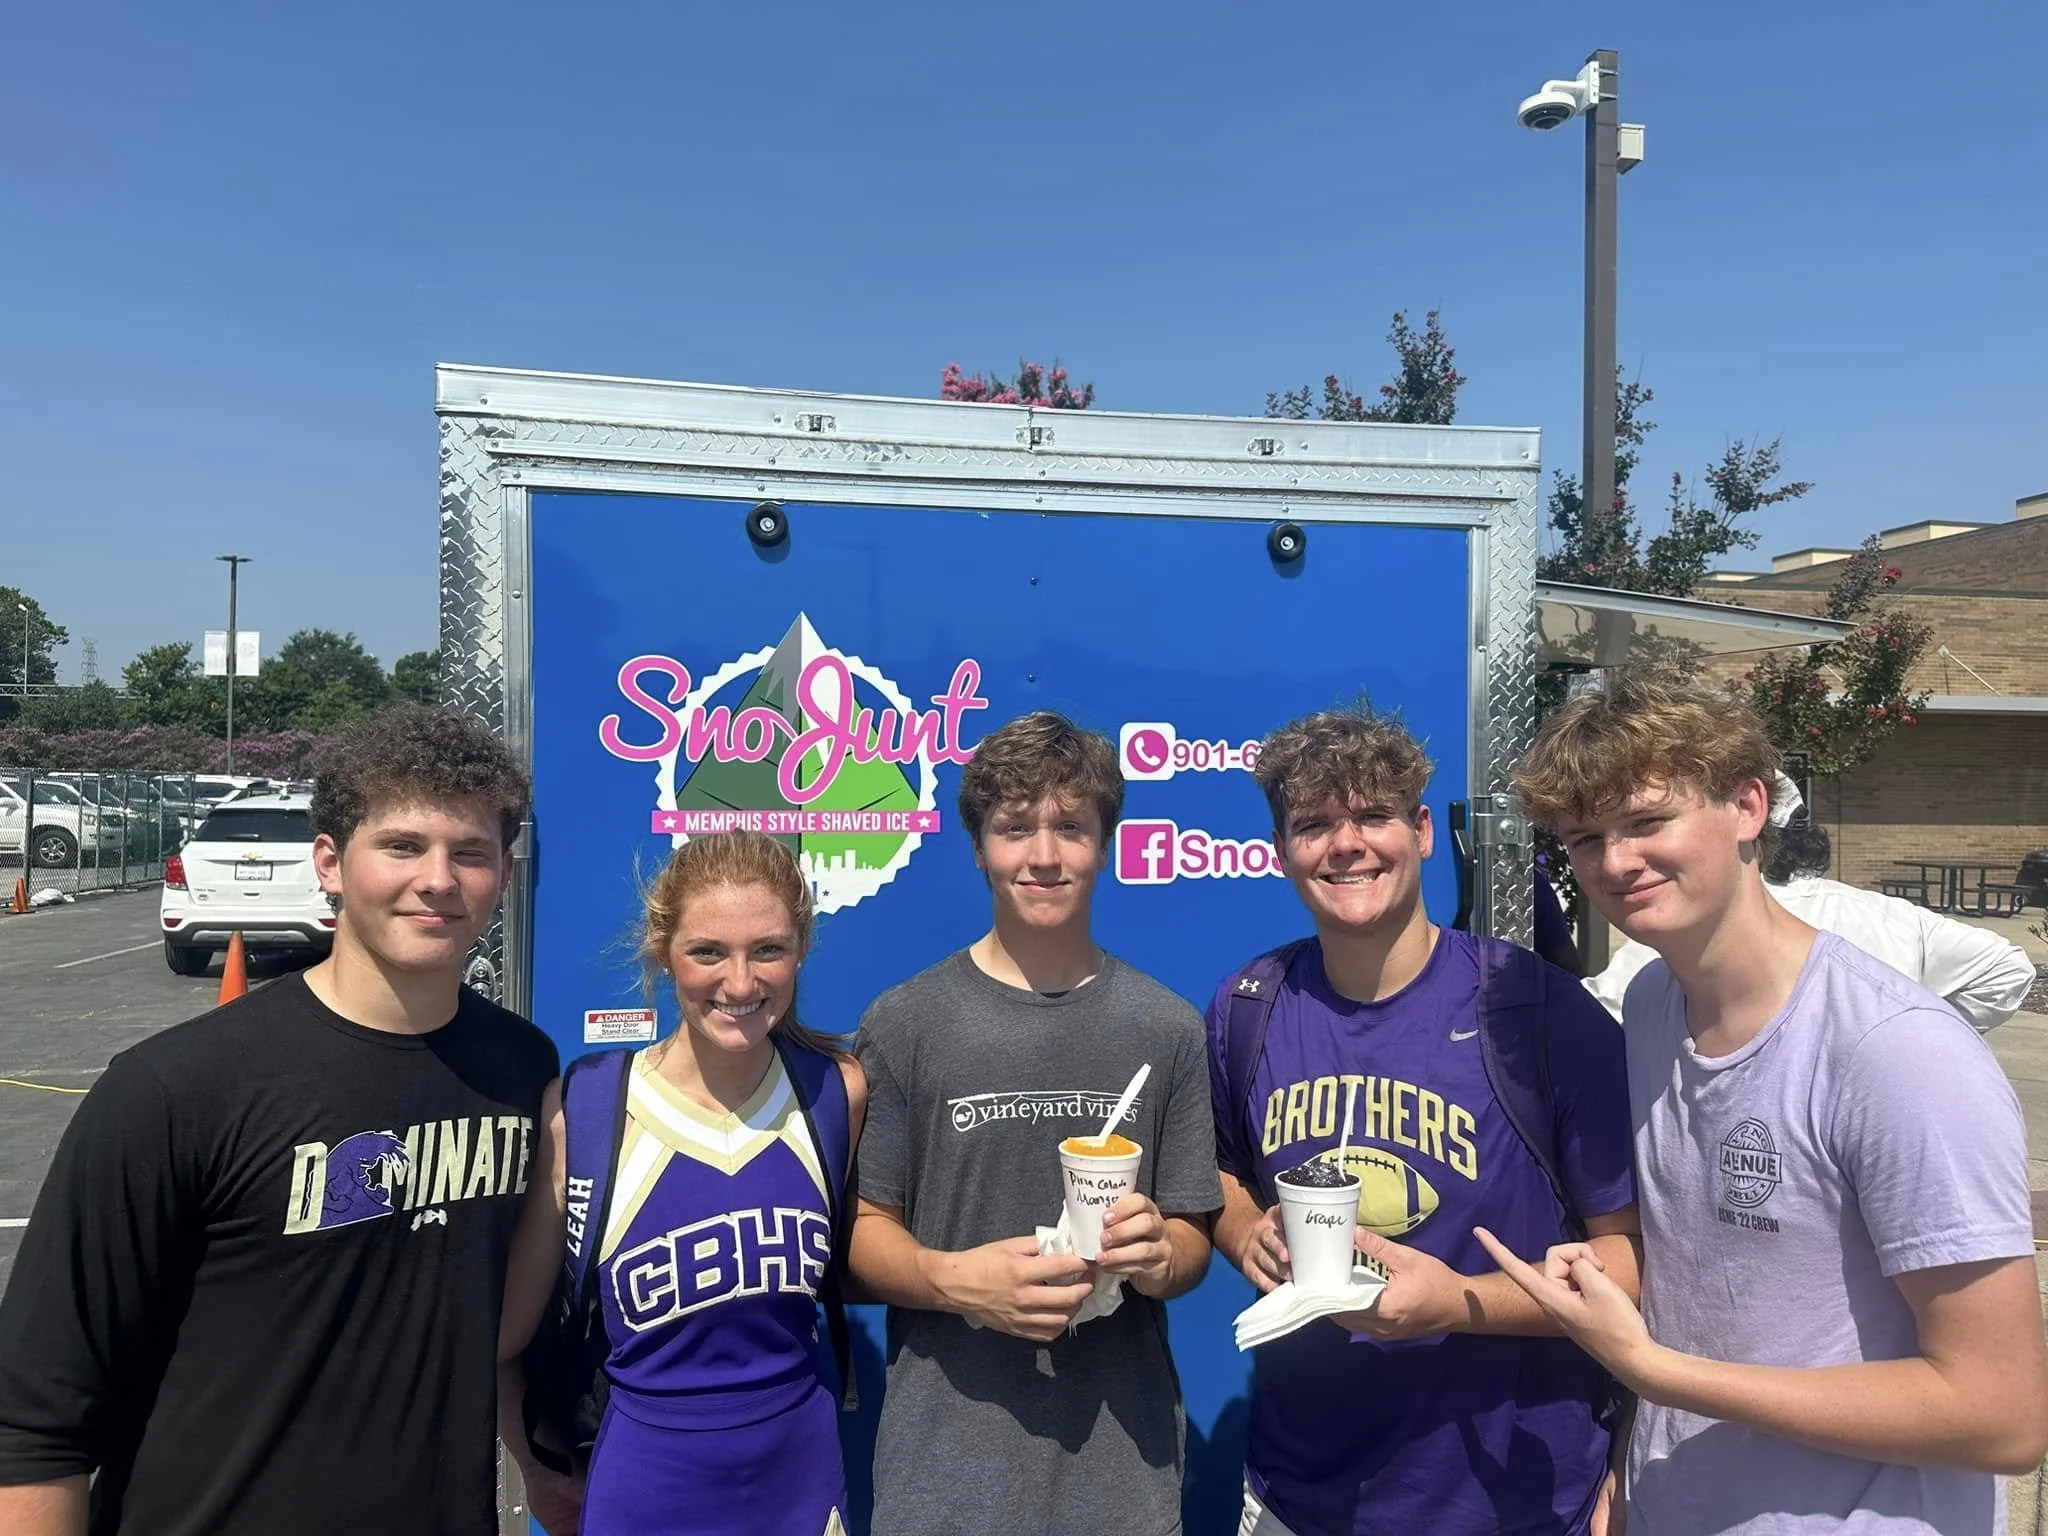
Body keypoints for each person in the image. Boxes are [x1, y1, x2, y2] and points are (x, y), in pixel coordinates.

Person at [1496, 671, 2048, 1535]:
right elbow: (1702, 1296)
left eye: (1647, 821)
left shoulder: (1897, 1051)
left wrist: (1651, 1372)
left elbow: (2002, 1413)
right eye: (1583, 838)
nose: (1613, 861)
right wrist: (1633, 1458)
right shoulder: (1649, 1008)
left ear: (1749, 806)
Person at [0, 708, 559, 1536]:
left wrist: (544, 1466)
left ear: (502, 878)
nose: (438, 878)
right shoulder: (174, 1089)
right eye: (402, 846)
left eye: (469, 852)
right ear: (329, 863)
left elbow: (496, 1329)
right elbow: (35, 1426)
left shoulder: (522, 1071)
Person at [1207, 703, 1640, 1536]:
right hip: (1300, 1492)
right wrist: (1241, 1230)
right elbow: (1219, 1179)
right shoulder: (1249, 1006)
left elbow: (1631, 1260)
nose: (1346, 844)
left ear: (1422, 832)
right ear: (1280, 852)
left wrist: (1458, 1303)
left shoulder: (1534, 1011)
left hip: (1512, 1496)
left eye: (1373, 815)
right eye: (1315, 824)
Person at [847, 711, 1222, 1535]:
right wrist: (958, 1281)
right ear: (979, 846)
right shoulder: (906, 1022)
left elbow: (1193, 1239)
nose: (1044, 856)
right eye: (1015, 829)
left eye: (1071, 829)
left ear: (1105, 845)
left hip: (1123, 1482)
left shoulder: (1165, 1027)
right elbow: (864, 1234)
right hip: (943, 1477)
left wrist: (1160, 1254)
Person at [498, 829, 864, 1536]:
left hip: (802, 1478)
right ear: (665, 953)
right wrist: (538, 1469)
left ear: (802, 949)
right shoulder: (586, 1110)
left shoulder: (835, 1095)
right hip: (646, 1486)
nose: (739, 982)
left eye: (768, 949)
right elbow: (509, 1333)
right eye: (708, 952)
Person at [1584, 796, 2036, 1033]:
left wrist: (1906, 1049)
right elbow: (2006, 970)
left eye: (1650, 822)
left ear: (1750, 815)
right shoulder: (1886, 913)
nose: (1617, 862)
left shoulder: (1679, 941)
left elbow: (1597, 1018)